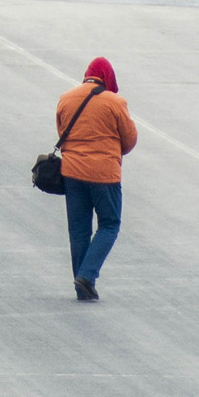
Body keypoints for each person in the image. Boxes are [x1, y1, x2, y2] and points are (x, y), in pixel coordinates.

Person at [55, 57, 136, 302]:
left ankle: (82, 283)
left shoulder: (66, 98)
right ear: (108, 78)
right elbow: (130, 139)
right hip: (104, 175)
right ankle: (87, 276)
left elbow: (61, 132)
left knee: (78, 230)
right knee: (109, 224)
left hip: (72, 174)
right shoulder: (115, 102)